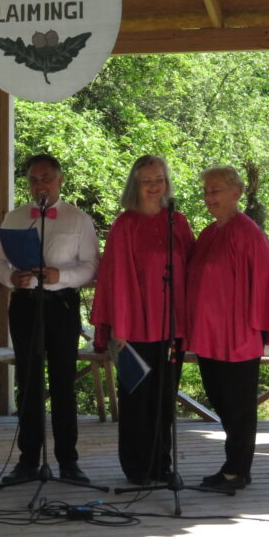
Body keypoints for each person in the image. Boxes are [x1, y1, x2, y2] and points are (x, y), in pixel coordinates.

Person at [0, 154, 99, 485]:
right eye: (34, 180)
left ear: (60, 179)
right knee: (28, 383)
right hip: (25, 305)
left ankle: (68, 461)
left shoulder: (78, 219)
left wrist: (59, 276)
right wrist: (11, 278)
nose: (40, 185)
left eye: (46, 178)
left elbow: (91, 267)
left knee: (63, 383)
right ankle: (28, 460)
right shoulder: (14, 217)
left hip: (61, 305)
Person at [185, 165, 269, 492]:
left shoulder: (247, 233)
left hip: (237, 336)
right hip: (209, 336)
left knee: (238, 408)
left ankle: (236, 472)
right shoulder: (209, 233)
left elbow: (266, 281)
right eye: (206, 191)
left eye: (215, 190)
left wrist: (261, 329)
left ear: (236, 192)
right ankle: (233, 467)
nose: (208, 197)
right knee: (222, 402)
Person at [91, 155, 195, 484]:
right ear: (135, 185)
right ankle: (138, 468)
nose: (154, 186)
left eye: (159, 179)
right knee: (137, 399)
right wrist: (118, 328)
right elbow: (116, 279)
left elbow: (192, 269)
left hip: (172, 325)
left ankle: (162, 465)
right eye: (147, 180)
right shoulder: (125, 224)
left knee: (164, 398)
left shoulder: (177, 222)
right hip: (133, 327)